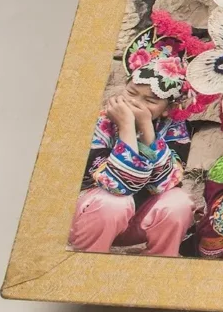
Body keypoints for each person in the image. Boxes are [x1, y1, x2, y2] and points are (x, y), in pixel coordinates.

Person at [69, 13, 215, 256]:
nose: (136, 103)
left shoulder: (174, 131)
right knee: (114, 202)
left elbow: (166, 185)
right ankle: (88, 262)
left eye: (150, 100)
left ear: (168, 109)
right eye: (132, 92)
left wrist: (147, 130)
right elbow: (116, 186)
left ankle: (159, 265)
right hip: (90, 219)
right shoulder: (101, 123)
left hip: (133, 224)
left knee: (178, 202)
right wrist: (126, 128)